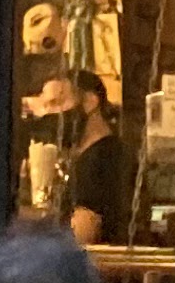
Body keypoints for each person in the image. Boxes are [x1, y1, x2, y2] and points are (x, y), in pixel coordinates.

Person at [56, 79, 135, 244]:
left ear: (91, 101)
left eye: (59, 102)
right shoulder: (107, 152)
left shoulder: (102, 158)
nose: (51, 113)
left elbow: (84, 232)